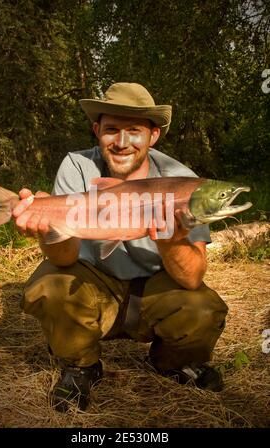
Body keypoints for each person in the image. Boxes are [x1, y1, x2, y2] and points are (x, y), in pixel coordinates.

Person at [13, 83, 228, 412]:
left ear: (153, 136)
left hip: (158, 288)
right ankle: (81, 366)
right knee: (50, 284)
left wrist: (170, 241)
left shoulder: (183, 181)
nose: (122, 142)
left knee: (203, 307)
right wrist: (45, 228)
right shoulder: (77, 166)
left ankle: (171, 362)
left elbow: (192, 278)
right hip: (95, 282)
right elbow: (64, 258)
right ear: (97, 131)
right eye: (112, 129)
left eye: (134, 131)